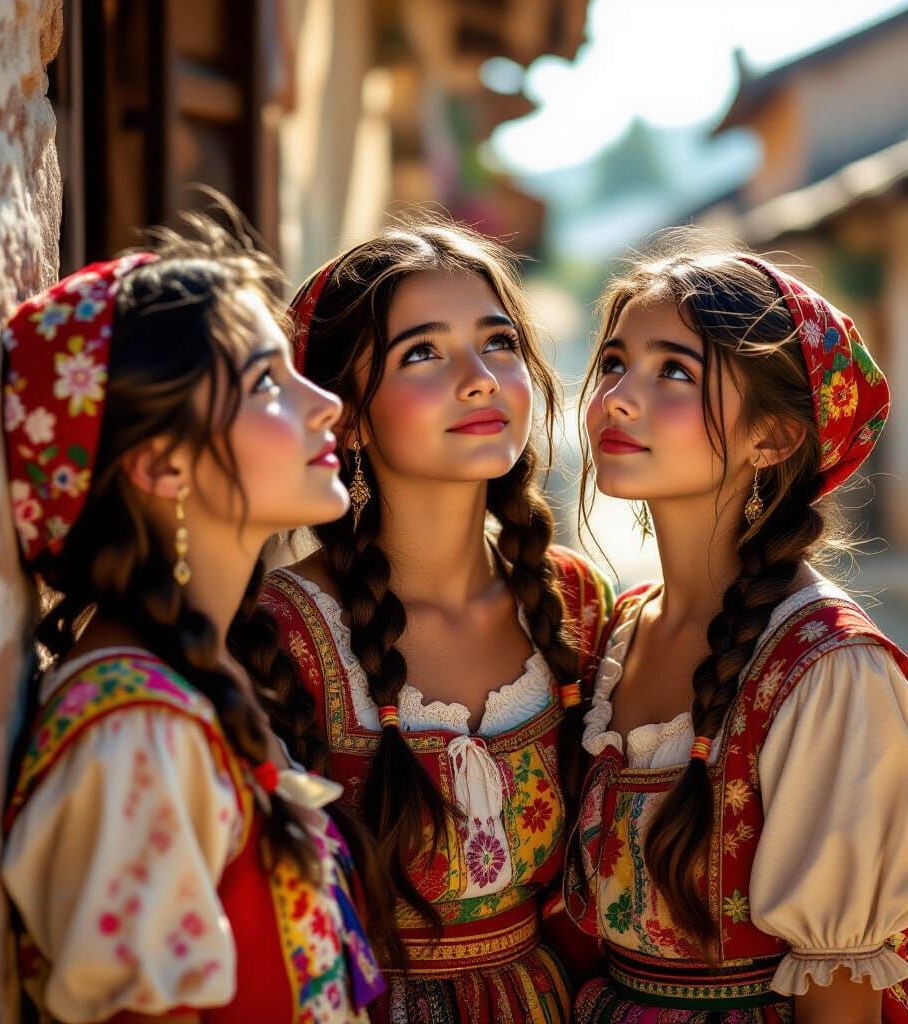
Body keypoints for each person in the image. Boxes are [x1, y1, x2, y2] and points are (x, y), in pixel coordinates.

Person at [0, 215, 384, 1022]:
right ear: (160, 464)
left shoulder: (192, 691)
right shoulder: (139, 734)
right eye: (268, 383)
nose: (326, 405)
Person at [565, 229, 908, 1024]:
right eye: (612, 363)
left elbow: (840, 994)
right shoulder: (621, 629)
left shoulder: (829, 671)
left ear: (771, 439)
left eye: (674, 370)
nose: (620, 396)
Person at [259, 218, 613, 1022]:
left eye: (499, 343)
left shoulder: (575, 605)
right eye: (423, 352)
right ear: (344, 415)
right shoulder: (285, 633)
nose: (481, 378)